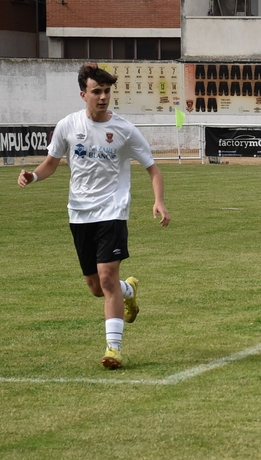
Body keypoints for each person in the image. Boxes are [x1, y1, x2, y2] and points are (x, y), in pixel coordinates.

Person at [17, 63, 171, 370]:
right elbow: (51, 162)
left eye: (107, 91)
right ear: (83, 94)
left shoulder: (125, 130)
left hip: (113, 211)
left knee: (106, 277)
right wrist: (32, 177)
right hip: (79, 213)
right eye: (96, 91)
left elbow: (152, 168)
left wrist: (159, 201)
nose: (103, 97)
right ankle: (129, 290)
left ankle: (113, 349)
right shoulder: (67, 126)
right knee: (96, 286)